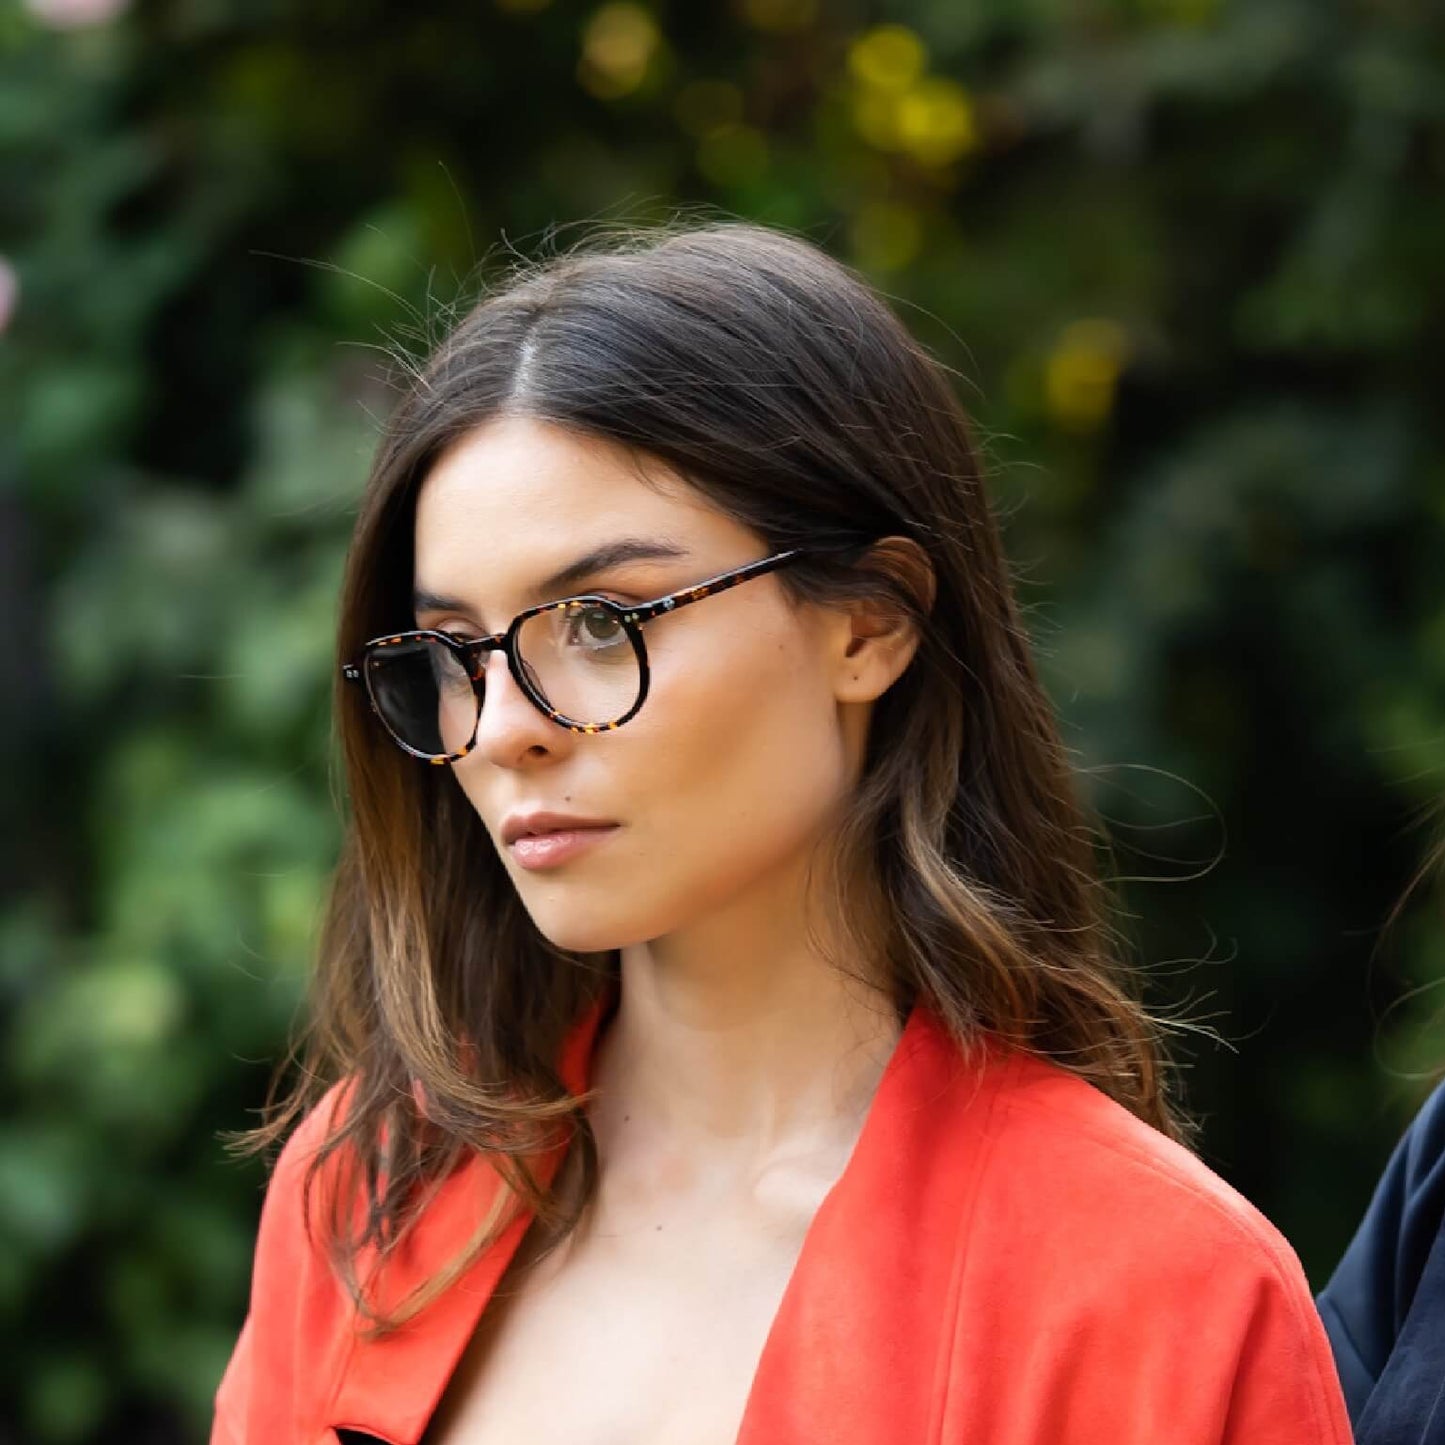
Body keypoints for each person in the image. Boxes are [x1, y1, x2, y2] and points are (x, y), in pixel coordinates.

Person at [210, 223, 1350, 1445]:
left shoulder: (1150, 1292)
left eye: (597, 623)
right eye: (453, 652)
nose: (498, 731)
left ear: (871, 621)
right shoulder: (372, 1184)